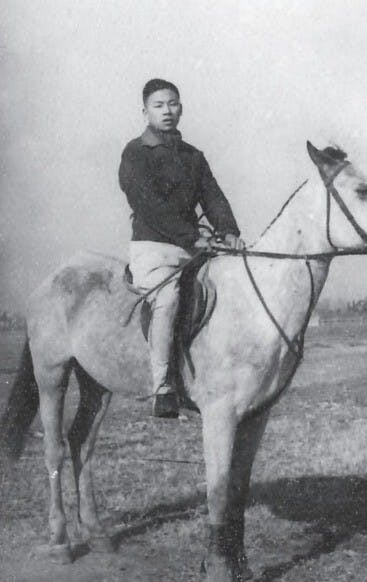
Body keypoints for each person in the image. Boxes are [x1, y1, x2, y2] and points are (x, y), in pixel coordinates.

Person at [119, 78, 244, 418]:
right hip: (153, 247)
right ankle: (163, 385)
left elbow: (213, 195)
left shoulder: (193, 156)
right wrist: (192, 237)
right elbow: (148, 205)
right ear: (144, 111)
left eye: (173, 103)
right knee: (168, 297)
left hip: (191, 246)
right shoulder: (135, 153)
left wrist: (228, 229)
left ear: (181, 107)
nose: (167, 111)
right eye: (158, 105)